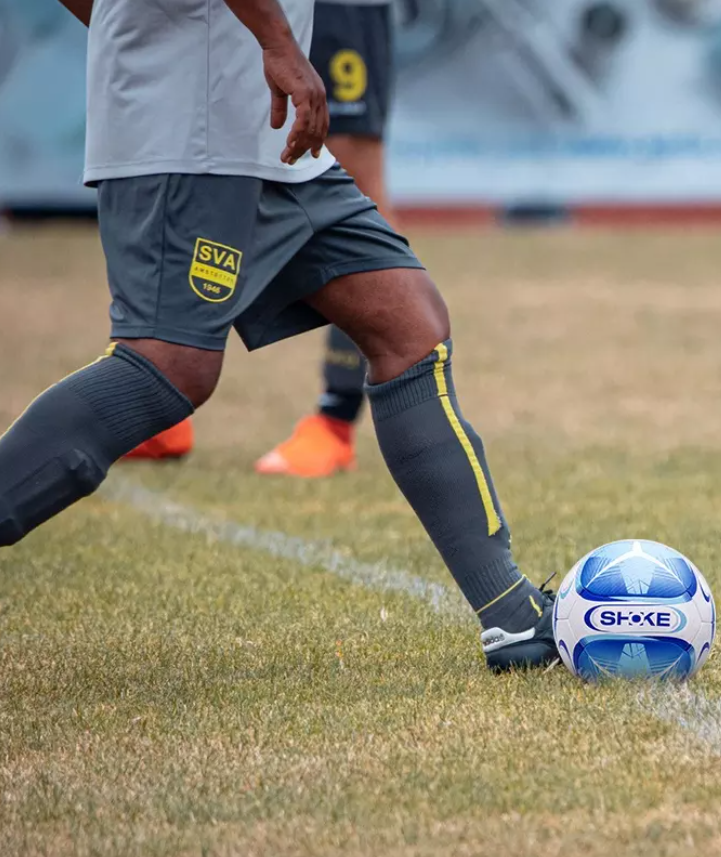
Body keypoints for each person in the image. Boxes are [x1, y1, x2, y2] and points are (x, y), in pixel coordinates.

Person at [0, 0, 557, 672]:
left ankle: (512, 616)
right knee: (168, 365)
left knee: (407, 322)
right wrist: (272, 45)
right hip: (194, 128)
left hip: (269, 139)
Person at [127, 0, 395, 475]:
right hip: (230, 11)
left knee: (357, 187)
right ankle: (159, 395)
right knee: (198, 174)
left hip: (338, 10)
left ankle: (335, 419)